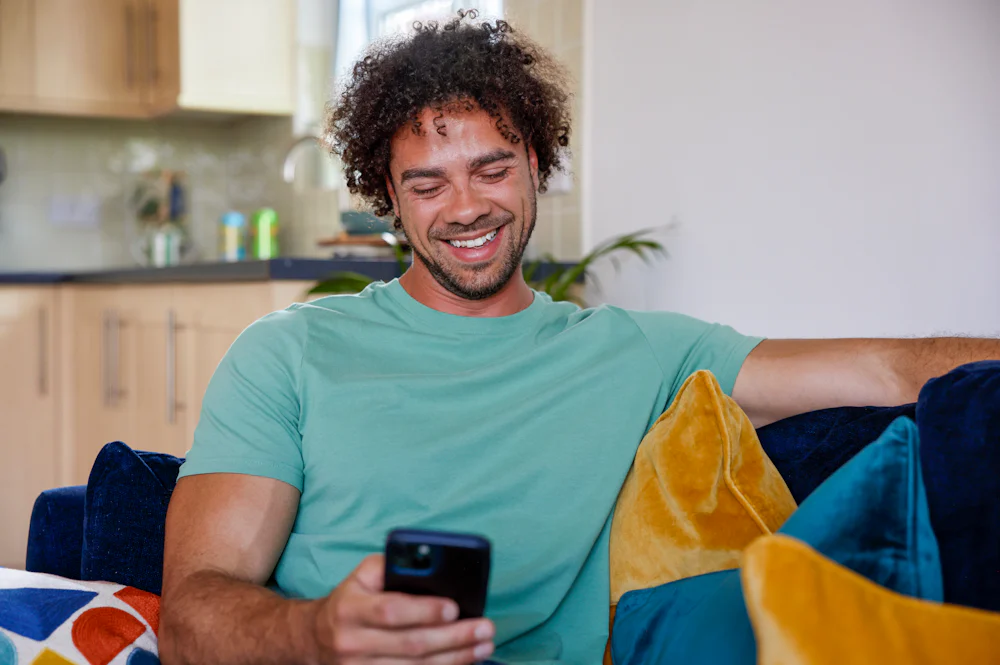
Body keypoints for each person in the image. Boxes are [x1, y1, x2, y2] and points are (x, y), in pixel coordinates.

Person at [159, 11, 1000, 665]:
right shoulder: (288, 353)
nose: (466, 208)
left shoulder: (642, 351)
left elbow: (892, 366)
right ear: (387, 192)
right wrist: (317, 635)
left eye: (492, 169)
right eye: (428, 183)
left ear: (536, 162)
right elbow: (194, 610)